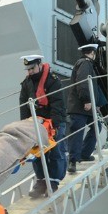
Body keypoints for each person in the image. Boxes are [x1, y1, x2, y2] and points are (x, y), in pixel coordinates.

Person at [19, 54, 67, 198]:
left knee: (56, 151)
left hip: (53, 121)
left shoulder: (52, 81)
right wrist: (25, 126)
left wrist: (56, 125)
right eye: (28, 70)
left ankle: (53, 181)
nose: (30, 72)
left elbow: (58, 104)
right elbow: (23, 106)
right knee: (37, 153)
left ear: (39, 65)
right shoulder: (26, 83)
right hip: (36, 123)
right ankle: (41, 181)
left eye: (32, 68)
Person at [67, 43, 106, 174]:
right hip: (80, 106)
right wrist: (87, 100)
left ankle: (84, 153)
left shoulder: (86, 64)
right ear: (93, 53)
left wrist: (98, 102)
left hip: (87, 107)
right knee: (77, 131)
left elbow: (94, 86)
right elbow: (83, 83)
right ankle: (72, 161)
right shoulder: (85, 63)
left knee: (97, 126)